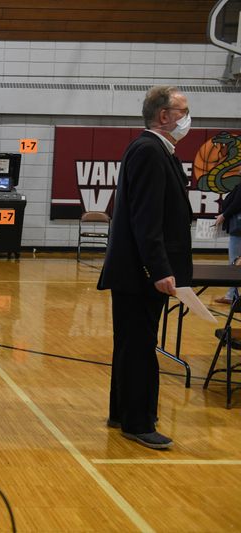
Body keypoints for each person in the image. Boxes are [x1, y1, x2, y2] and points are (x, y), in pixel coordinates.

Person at [98, 86, 193, 450]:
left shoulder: (156, 150)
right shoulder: (150, 151)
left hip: (135, 270)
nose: (187, 117)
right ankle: (138, 422)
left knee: (131, 344)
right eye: (182, 110)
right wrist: (159, 269)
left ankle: (122, 412)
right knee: (139, 347)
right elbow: (146, 218)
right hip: (140, 272)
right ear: (164, 115)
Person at [213, 183, 241, 304]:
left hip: (239, 229)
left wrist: (224, 216)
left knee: (234, 261)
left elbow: (237, 203)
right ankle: (232, 294)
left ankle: (231, 295)